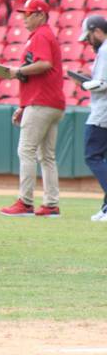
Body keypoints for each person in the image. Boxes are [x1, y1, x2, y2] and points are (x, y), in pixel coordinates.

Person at [0, 0, 65, 217]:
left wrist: (17, 71)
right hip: (50, 102)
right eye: (24, 13)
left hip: (42, 102)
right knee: (46, 156)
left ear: (41, 15)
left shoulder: (41, 35)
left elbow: (45, 64)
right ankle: (51, 204)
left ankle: (25, 202)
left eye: (28, 14)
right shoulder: (44, 35)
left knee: (26, 150)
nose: (24, 18)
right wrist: (24, 105)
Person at [79, 15, 107, 221]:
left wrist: (84, 83)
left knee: (92, 156)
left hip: (102, 113)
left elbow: (103, 83)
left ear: (97, 31)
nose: (89, 41)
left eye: (89, 36)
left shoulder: (105, 50)